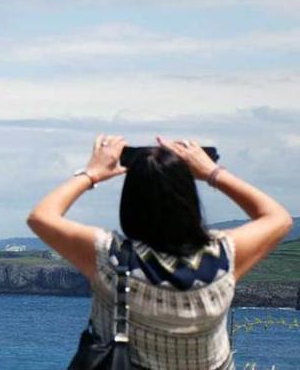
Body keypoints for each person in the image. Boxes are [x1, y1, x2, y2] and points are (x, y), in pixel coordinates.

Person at [27, 135, 293, 370]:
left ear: (130, 203)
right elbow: (278, 218)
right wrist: (212, 172)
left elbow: (41, 216)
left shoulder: (110, 257)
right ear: (188, 198)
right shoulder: (223, 259)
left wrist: (92, 173)